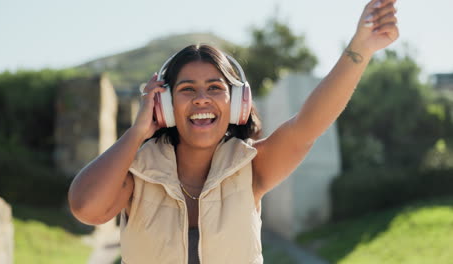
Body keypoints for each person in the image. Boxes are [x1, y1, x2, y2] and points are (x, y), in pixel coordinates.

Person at [68, 0, 398, 263]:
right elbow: (85, 207)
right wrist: (137, 131)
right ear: (165, 105)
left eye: (215, 87)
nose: (201, 99)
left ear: (237, 102)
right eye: (187, 89)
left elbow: (308, 125)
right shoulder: (136, 173)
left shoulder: (250, 167)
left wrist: (361, 49)